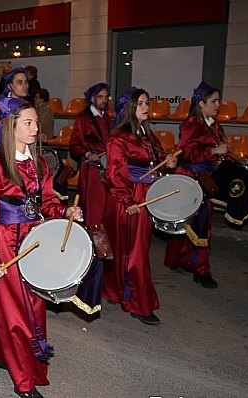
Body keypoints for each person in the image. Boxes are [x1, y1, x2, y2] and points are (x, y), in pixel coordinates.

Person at [0, 98, 83, 398]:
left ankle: (27, 365)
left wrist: (65, 212)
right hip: (5, 247)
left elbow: (47, 201)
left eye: (36, 123)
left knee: (35, 308)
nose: (37, 128)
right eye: (29, 123)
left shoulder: (40, 164)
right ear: (11, 127)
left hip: (35, 243)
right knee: (16, 315)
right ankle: (23, 382)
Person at [103, 87, 178, 325]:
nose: (147, 107)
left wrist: (169, 162)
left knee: (136, 249)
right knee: (132, 252)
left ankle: (117, 290)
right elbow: (115, 174)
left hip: (146, 196)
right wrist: (128, 201)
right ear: (130, 108)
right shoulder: (118, 137)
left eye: (148, 103)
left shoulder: (147, 134)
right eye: (142, 103)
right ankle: (137, 301)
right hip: (129, 198)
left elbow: (157, 163)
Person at [163, 81, 229, 288]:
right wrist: (214, 152)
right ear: (201, 103)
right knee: (200, 225)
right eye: (213, 101)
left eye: (218, 101)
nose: (218, 105)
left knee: (190, 223)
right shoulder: (192, 124)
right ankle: (201, 270)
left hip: (205, 177)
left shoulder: (215, 126)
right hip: (192, 178)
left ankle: (180, 260)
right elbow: (187, 154)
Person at [69, 82, 113, 226]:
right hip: (91, 169)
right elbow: (74, 143)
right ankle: (91, 236)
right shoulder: (83, 119)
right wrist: (87, 154)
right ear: (92, 98)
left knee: (106, 205)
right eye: (100, 97)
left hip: (106, 166)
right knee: (93, 206)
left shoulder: (106, 118)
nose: (104, 100)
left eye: (106, 97)